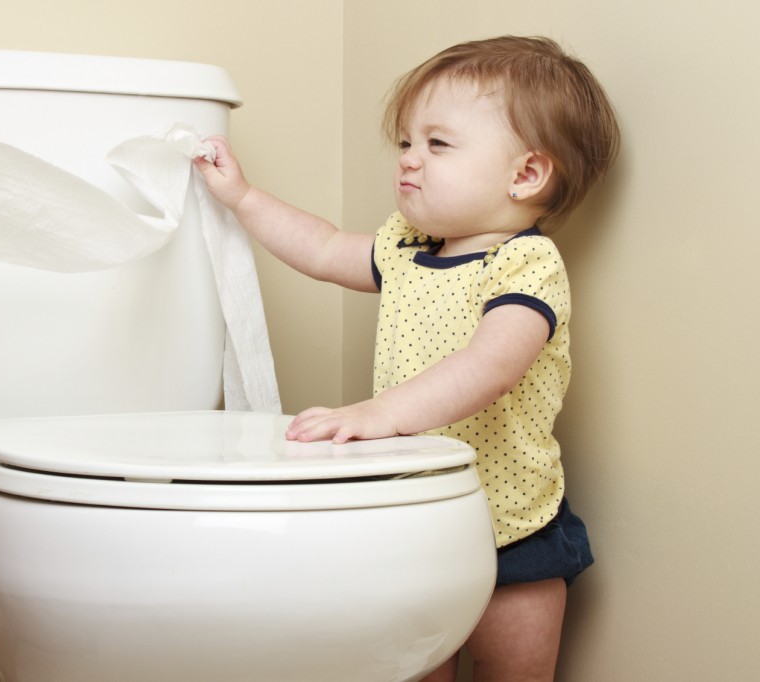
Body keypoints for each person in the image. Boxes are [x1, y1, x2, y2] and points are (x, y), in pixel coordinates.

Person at [195, 35, 619, 682]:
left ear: (526, 174)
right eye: (405, 143)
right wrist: (244, 199)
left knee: (517, 670)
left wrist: (382, 413)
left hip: (513, 528)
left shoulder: (524, 264)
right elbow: (324, 246)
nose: (410, 161)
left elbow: (491, 364)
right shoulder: (406, 249)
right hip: (418, 518)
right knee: (415, 667)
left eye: (437, 144)